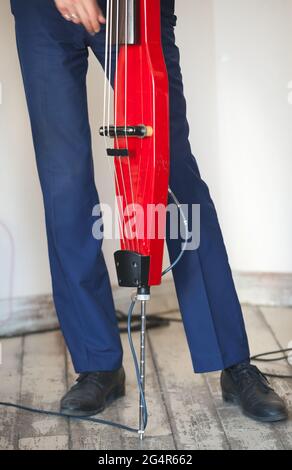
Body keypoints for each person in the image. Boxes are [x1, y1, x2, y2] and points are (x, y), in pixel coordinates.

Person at [10, 0, 288, 423]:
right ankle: (98, 362)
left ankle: (234, 362)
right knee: (63, 182)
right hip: (41, 10)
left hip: (129, 5)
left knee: (174, 175)